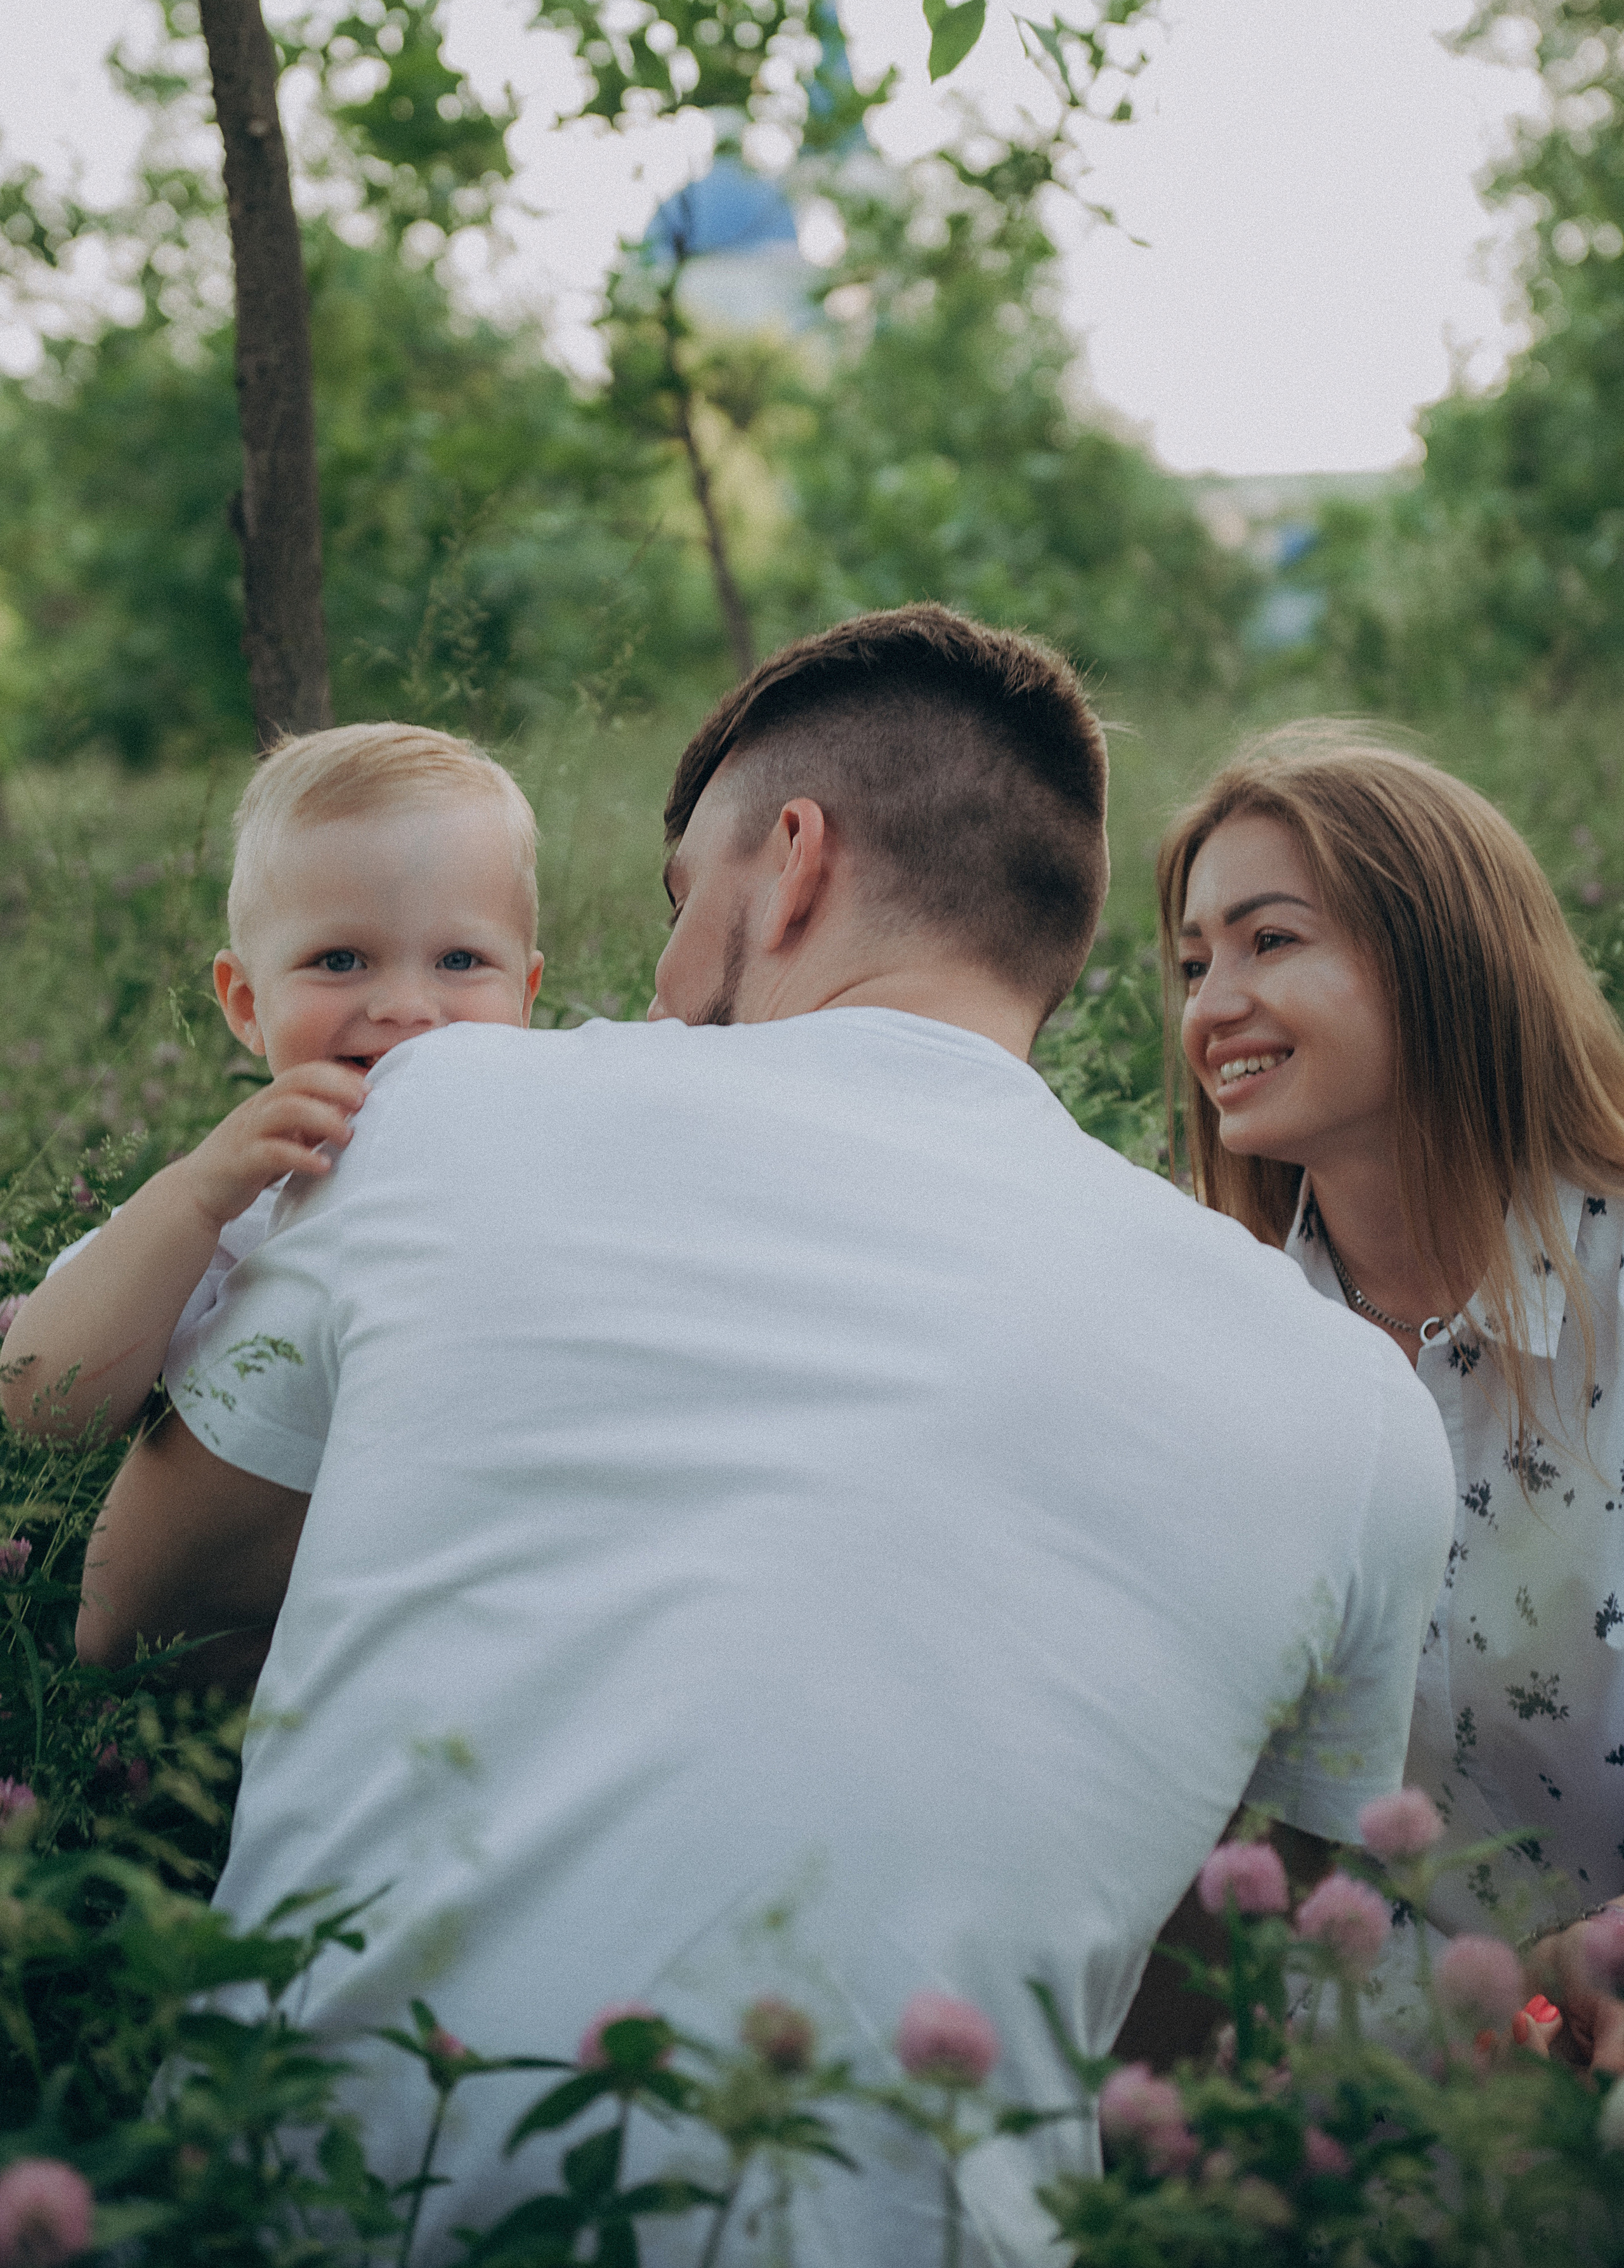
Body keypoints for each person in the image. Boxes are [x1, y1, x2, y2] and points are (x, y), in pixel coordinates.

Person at [77, 610, 1452, 2265]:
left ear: (789, 862)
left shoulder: (441, 1109)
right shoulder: (1357, 1401)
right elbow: (1207, 1994)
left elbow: (130, 1606)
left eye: (676, 911)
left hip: (319, 2211)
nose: (654, 989)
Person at [1159, 720, 1624, 2066]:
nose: (1209, 1002)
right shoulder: (1210, 1333)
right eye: (1193, 962)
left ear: (1437, 956)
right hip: (1347, 2098)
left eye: (1268, 939)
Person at [0, 723, 545, 1490]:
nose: (406, 1006)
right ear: (248, 1004)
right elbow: (42, 1401)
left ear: (526, 995)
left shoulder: (556, 1145)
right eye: (340, 960)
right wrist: (195, 1200)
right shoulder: (253, 1208)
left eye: (460, 960)